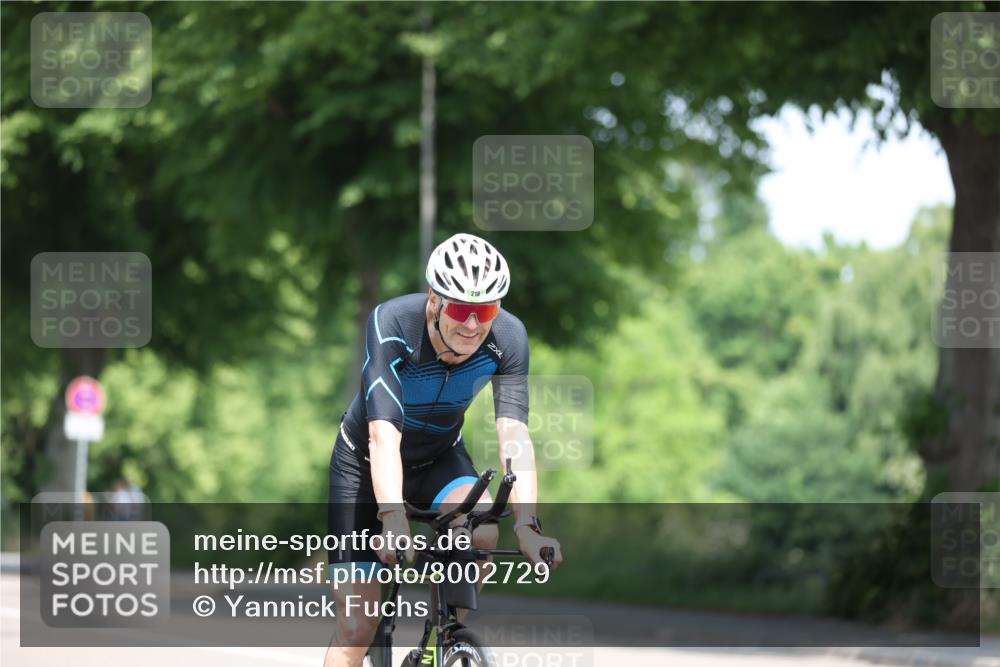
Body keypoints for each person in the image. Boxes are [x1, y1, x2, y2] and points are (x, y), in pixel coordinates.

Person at [324, 233, 563, 667]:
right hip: (364, 466)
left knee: (485, 528)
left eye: (485, 310)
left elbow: (514, 435)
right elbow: (383, 435)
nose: (473, 325)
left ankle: (447, 640)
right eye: (461, 309)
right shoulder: (393, 323)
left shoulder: (508, 336)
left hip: (439, 459)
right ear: (435, 301)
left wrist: (528, 524)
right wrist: (393, 517)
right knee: (357, 626)